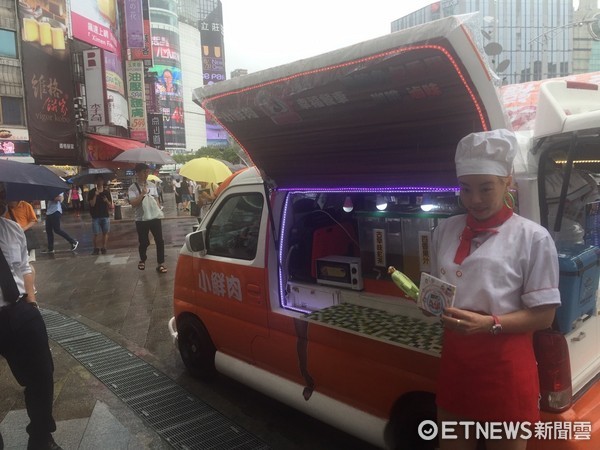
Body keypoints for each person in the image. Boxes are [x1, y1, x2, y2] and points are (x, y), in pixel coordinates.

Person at [430, 129, 561, 450]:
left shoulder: (532, 237)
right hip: (456, 363)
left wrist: (491, 324)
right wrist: (432, 303)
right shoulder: (445, 230)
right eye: (466, 189)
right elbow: (440, 286)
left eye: (486, 188)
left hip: (505, 368)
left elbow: (545, 315)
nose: (474, 199)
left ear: (508, 181)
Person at [0, 183, 63, 450]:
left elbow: (25, 266)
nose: (2, 198)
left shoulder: (11, 229)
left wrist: (32, 300)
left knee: (42, 374)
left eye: (2, 192)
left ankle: (40, 436)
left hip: (20, 309)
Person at [128, 163, 167, 274]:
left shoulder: (152, 185)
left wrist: (159, 210)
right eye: (144, 172)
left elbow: (156, 200)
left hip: (154, 217)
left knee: (159, 240)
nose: (146, 174)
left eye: (147, 172)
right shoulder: (132, 188)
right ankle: (142, 259)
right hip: (141, 219)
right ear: (138, 173)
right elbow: (133, 203)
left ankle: (160, 264)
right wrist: (142, 195)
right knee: (144, 242)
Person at [4, 199, 39, 293]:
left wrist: (22, 229)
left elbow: (33, 220)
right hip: (11, 240)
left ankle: (31, 286)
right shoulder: (5, 208)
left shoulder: (26, 206)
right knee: (16, 264)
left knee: (28, 263)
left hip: (26, 237)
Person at [88, 175, 113, 255]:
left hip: (105, 215)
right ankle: (95, 248)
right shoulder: (91, 192)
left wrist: (106, 201)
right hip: (95, 216)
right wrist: (95, 195)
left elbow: (110, 205)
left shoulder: (106, 192)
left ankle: (104, 247)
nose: (99, 182)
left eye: (101, 180)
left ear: (103, 181)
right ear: (95, 181)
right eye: (98, 180)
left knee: (105, 233)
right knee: (96, 233)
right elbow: (92, 204)